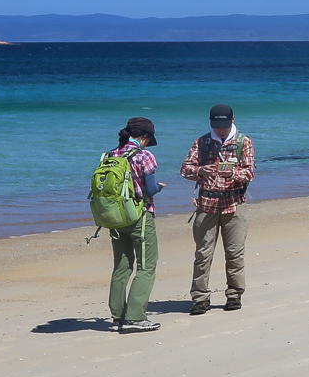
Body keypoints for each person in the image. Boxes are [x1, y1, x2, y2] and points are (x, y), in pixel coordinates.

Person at [181, 103, 254, 314]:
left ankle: (234, 295)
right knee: (203, 253)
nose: (220, 129)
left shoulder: (243, 142)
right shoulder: (202, 142)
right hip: (206, 204)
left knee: (234, 252)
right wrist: (200, 170)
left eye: (223, 125)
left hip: (234, 204)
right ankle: (200, 298)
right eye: (216, 125)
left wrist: (232, 174)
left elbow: (249, 173)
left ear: (232, 119)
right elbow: (185, 169)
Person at [107, 116, 164, 333]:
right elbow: (149, 189)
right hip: (140, 216)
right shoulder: (144, 155)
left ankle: (117, 317)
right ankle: (135, 317)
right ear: (145, 136)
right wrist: (160, 187)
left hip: (115, 217)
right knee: (147, 266)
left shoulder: (111, 154)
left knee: (121, 266)